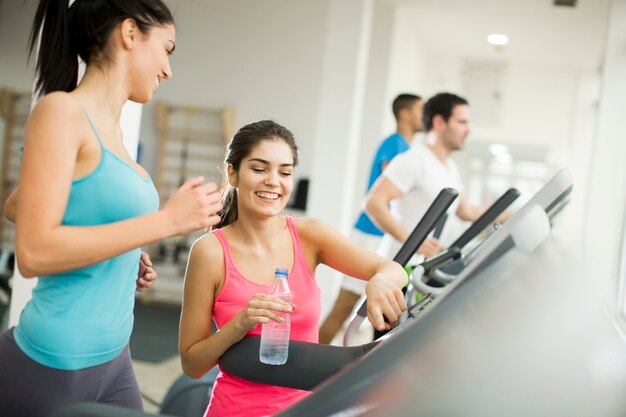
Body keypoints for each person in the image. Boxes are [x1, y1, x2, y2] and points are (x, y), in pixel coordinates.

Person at [0, 1, 223, 416]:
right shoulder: (62, 112)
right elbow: (33, 252)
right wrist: (163, 222)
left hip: (115, 358)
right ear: (130, 34)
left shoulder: (115, 132)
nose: (168, 70)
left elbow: (33, 205)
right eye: (167, 49)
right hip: (54, 361)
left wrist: (122, 253)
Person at [179, 120, 407, 417]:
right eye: (259, 169)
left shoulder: (309, 235)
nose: (273, 181)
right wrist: (240, 324)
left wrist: (378, 282)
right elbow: (192, 365)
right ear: (233, 173)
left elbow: (393, 269)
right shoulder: (209, 251)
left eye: (284, 172)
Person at [319, 93, 432, 345]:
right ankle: (301, 368)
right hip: (370, 234)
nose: (424, 116)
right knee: (344, 306)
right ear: (404, 113)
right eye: (420, 110)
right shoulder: (395, 145)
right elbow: (389, 193)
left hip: (383, 238)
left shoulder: (408, 149)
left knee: (381, 311)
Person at [365, 92, 488, 268]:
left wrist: (511, 213)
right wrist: (414, 241)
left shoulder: (451, 168)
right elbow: (373, 202)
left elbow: (466, 211)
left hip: (419, 267)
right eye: (462, 122)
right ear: (439, 122)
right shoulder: (414, 159)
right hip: (395, 263)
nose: (468, 129)